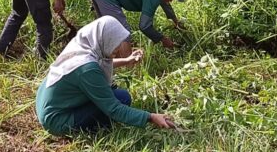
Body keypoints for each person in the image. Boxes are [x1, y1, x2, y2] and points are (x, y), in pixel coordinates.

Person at [35, 16, 176, 135]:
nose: (118, 48)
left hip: (47, 106)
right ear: (104, 39)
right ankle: (96, 130)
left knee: (117, 94)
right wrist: (150, 117)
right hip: (57, 121)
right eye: (114, 43)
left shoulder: (83, 44)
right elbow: (113, 109)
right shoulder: (86, 69)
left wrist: (126, 60)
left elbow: (98, 63)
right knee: (122, 98)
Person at [88, 0, 185, 48]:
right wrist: (162, 39)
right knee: (122, 32)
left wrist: (176, 22)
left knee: (106, 29)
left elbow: (164, 3)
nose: (172, 0)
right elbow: (144, 26)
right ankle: (128, 64)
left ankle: (104, 56)